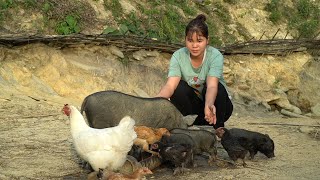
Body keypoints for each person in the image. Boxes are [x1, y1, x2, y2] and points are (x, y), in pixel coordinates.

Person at [156, 14, 233, 129]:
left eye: (199, 41)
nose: (194, 45)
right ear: (185, 40)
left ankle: (219, 128)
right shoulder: (178, 56)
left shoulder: (214, 55)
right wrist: (155, 101)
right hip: (196, 111)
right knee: (179, 88)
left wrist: (209, 105)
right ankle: (189, 123)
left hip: (217, 108)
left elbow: (212, 86)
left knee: (216, 86)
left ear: (207, 40)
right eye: (190, 40)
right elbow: (170, 86)